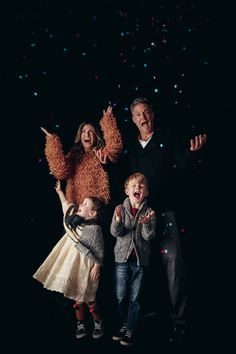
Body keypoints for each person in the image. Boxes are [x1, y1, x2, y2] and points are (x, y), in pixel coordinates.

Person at [119, 97, 207, 344]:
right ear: (134, 120)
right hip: (140, 219)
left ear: (152, 115)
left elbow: (182, 166)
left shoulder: (167, 138)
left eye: (146, 112)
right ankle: (142, 318)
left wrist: (191, 153)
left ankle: (180, 323)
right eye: (137, 114)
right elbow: (125, 182)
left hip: (165, 215)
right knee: (139, 270)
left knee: (173, 266)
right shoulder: (132, 149)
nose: (143, 118)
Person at [33, 180, 105, 339]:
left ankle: (98, 321)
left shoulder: (94, 230)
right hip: (72, 264)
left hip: (86, 266)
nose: (81, 203)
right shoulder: (74, 220)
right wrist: (60, 192)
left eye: (85, 204)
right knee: (77, 300)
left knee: (90, 300)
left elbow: (99, 250)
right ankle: (80, 324)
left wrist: (97, 266)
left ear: (92, 213)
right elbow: (66, 206)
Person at [41, 105, 123, 205]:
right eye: (83, 132)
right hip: (76, 209)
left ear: (96, 136)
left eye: (90, 132)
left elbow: (115, 147)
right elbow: (60, 170)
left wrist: (108, 121)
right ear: (80, 136)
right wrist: (52, 143)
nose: (87, 135)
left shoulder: (101, 153)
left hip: (96, 210)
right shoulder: (74, 156)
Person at [110, 172, 156, 346]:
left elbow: (148, 236)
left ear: (147, 192)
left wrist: (147, 224)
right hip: (121, 258)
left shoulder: (150, 212)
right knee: (121, 295)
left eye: (141, 185)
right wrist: (118, 220)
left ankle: (130, 328)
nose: (138, 187)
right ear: (127, 191)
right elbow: (116, 233)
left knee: (135, 297)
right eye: (134, 186)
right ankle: (124, 323)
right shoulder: (120, 209)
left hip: (139, 260)